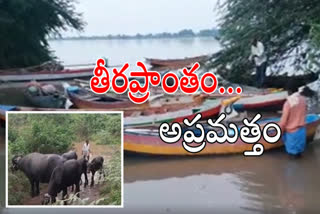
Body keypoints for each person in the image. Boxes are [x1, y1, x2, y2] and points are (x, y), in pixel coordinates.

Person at [279, 81, 307, 158]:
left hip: (292, 134)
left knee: (292, 159)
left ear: (289, 91)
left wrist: (279, 131)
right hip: (302, 132)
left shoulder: (288, 103)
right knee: (299, 155)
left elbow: (283, 121)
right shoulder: (303, 100)